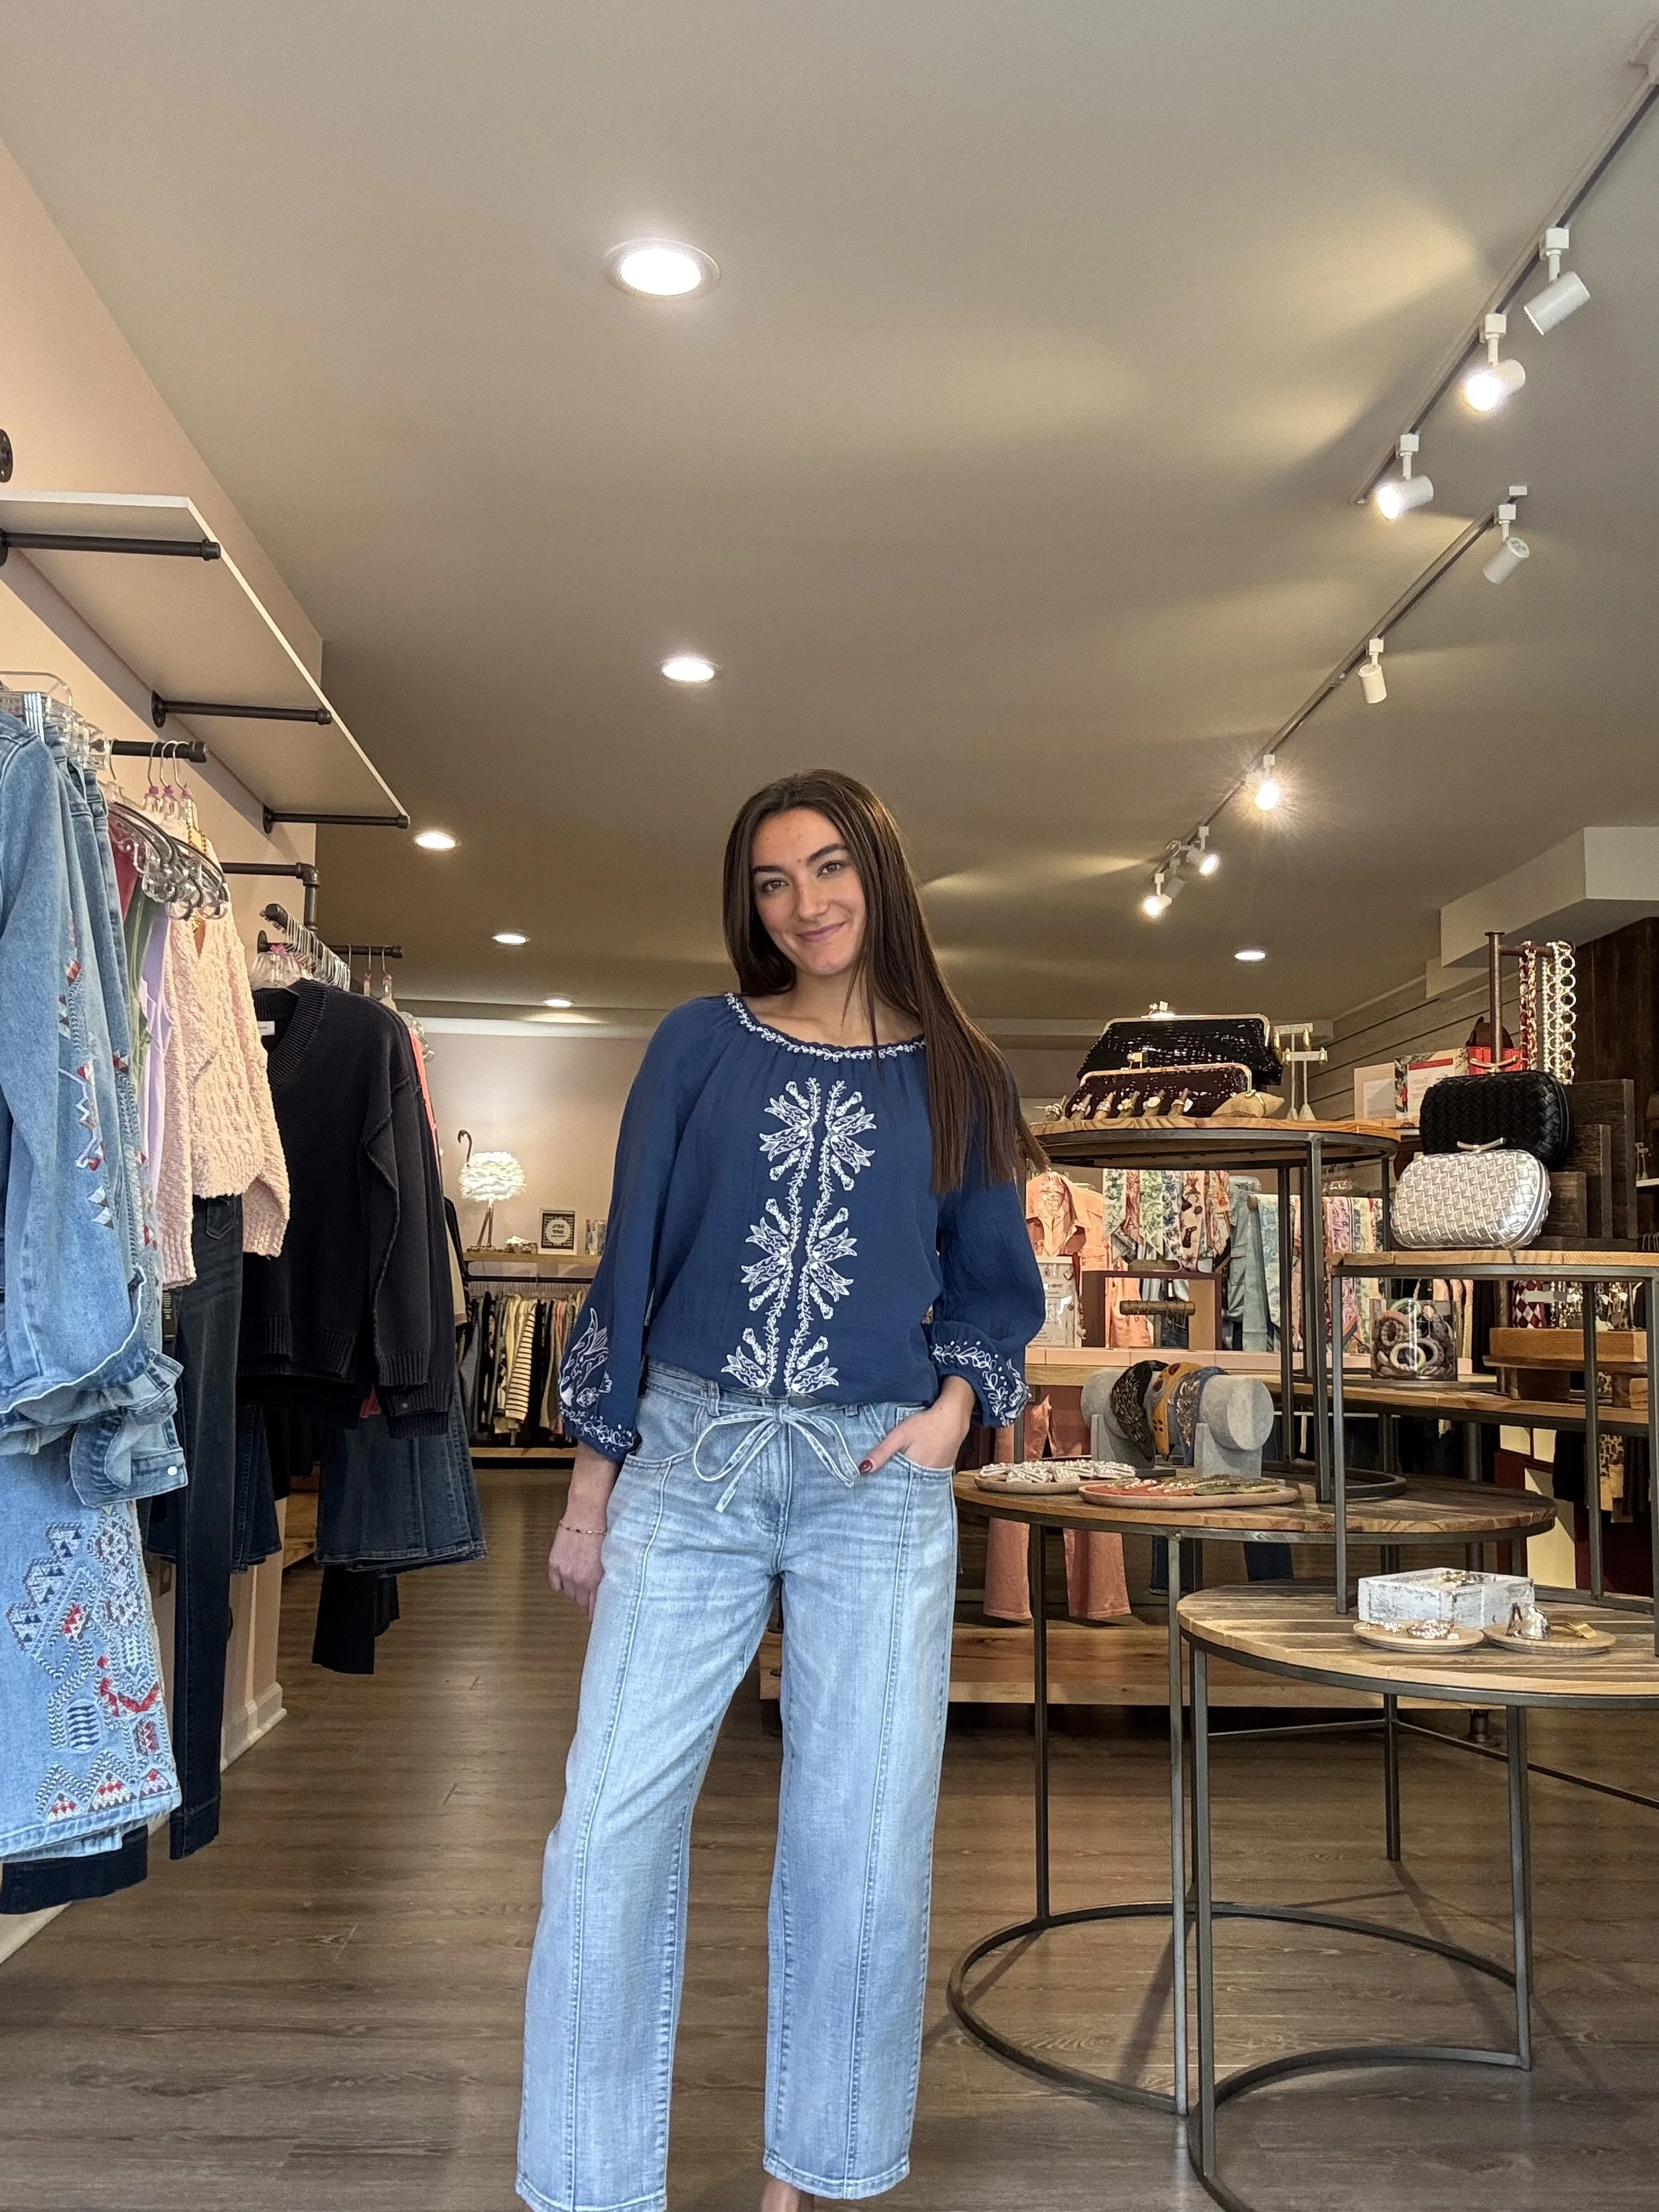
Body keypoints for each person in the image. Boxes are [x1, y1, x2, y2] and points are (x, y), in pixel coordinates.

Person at [518, 769, 1046, 2212]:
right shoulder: (697, 1046)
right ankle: (580, 2179)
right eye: (769, 880)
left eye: (826, 868)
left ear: (878, 870)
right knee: (606, 1826)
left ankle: (809, 2176)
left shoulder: (964, 1072)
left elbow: (995, 1291)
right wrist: (586, 1494)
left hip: (874, 1480)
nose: (802, 903)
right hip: (685, 1467)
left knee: (861, 1839)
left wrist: (949, 1417)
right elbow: (627, 1272)